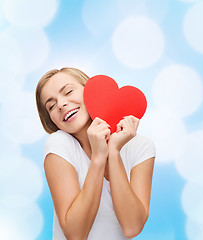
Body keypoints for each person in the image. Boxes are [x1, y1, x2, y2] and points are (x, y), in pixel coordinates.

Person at [35, 67, 156, 240]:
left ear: (90, 90)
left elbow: (132, 227)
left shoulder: (141, 147)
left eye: (68, 91)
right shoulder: (59, 144)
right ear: (51, 119)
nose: (61, 104)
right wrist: (98, 158)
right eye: (51, 106)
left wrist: (113, 152)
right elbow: (75, 234)